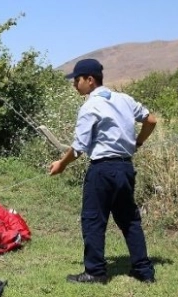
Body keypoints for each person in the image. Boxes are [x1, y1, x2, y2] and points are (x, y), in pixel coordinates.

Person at [49, 59, 157, 284]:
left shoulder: (90, 106)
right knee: (129, 220)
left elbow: (79, 147)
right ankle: (144, 271)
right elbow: (151, 120)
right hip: (126, 168)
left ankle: (95, 272)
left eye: (77, 80)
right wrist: (138, 142)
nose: (74, 85)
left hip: (102, 170)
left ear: (90, 80)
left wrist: (61, 164)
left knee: (93, 220)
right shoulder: (124, 99)